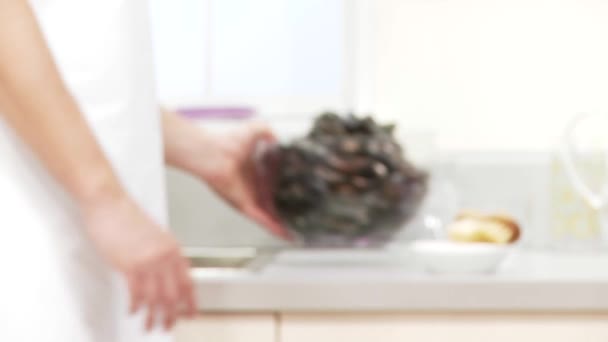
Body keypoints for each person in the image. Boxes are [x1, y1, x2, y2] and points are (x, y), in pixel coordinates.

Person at [0, 1, 287, 341]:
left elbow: (80, 66)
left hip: (89, 259)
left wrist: (207, 153)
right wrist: (105, 199)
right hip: (31, 257)